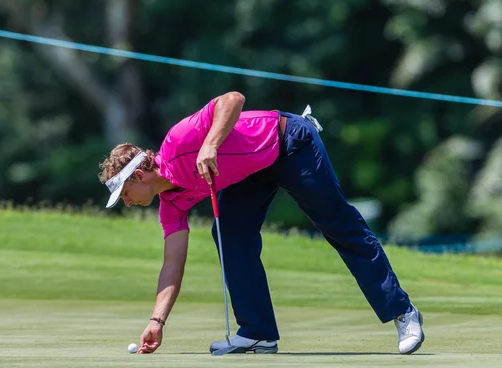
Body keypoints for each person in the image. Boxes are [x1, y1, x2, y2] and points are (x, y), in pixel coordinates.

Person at [98, 91, 425, 355]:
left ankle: (403, 312)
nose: (127, 203)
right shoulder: (169, 206)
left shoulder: (178, 141)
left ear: (140, 176)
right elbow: (172, 266)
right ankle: (258, 333)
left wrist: (210, 144)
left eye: (126, 193)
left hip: (289, 143)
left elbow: (233, 99)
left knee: (337, 223)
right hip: (252, 172)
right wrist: (157, 321)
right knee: (228, 232)